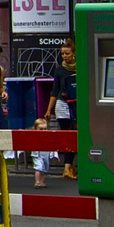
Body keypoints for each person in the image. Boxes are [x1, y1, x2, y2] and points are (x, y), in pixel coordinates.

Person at [44, 40, 78, 179]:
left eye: (67, 53)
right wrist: (48, 110)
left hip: (77, 104)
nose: (64, 56)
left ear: (74, 54)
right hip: (63, 105)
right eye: (62, 53)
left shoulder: (81, 67)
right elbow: (55, 91)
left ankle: (72, 167)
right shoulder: (59, 70)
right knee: (68, 135)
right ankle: (67, 168)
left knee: (76, 133)